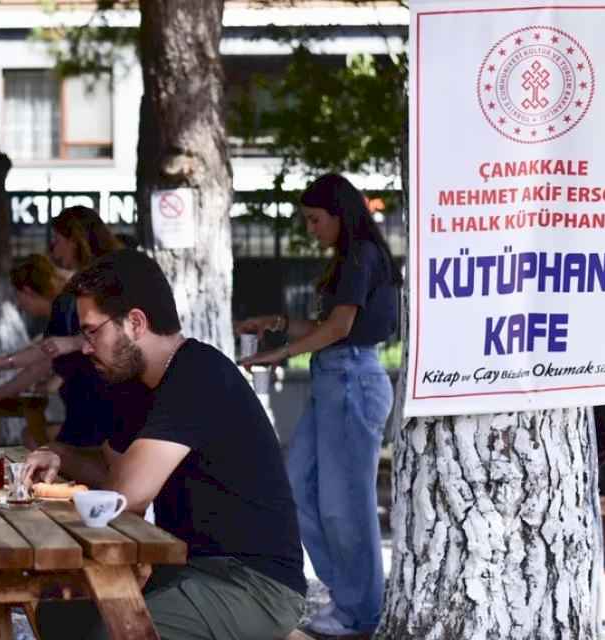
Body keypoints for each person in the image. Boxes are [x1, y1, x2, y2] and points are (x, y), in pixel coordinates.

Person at [25, 250, 306, 640]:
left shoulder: (197, 373)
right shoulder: (134, 385)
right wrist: (61, 454)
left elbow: (126, 497)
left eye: (92, 331)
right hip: (189, 569)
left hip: (251, 583)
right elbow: (114, 481)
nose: (85, 347)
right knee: (60, 616)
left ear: (135, 322)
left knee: (108, 634)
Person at [237, 173, 399, 637]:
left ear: (338, 214)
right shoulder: (349, 259)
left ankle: (361, 613)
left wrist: (280, 352)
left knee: (344, 506)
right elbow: (329, 325)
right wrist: (279, 324)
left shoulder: (363, 255)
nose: (311, 229)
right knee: (299, 488)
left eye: (314, 219)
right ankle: (346, 598)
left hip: (351, 378)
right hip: (333, 378)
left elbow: (341, 328)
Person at [0, 206, 145, 485]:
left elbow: (128, 329)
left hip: (106, 402)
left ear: (75, 239)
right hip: (83, 405)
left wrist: (76, 341)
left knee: (94, 481)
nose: (53, 249)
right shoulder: (75, 290)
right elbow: (48, 352)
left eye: (58, 240)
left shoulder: (115, 274)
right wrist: (0, 372)